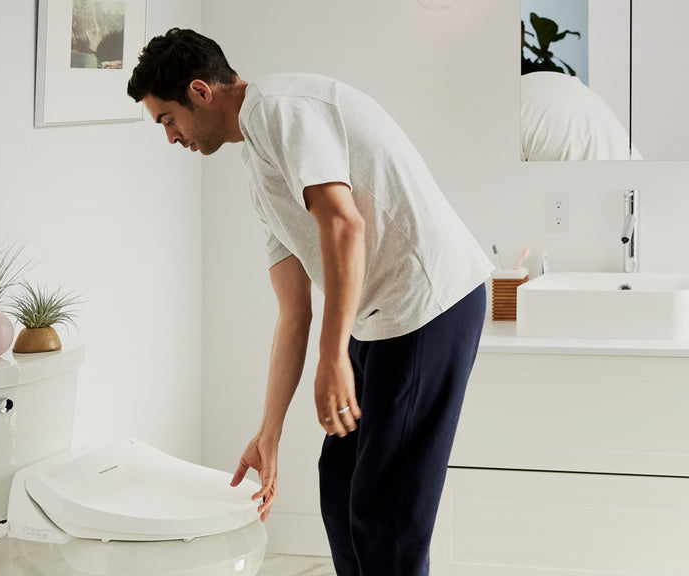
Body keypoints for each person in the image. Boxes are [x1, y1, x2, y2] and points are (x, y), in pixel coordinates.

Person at [127, 28, 493, 576]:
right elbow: (294, 309)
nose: (171, 138)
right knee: (341, 485)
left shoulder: (282, 111)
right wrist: (267, 433)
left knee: (385, 509)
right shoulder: (258, 166)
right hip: (378, 315)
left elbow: (345, 224)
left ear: (200, 92)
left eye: (167, 120)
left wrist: (334, 356)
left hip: (428, 303)